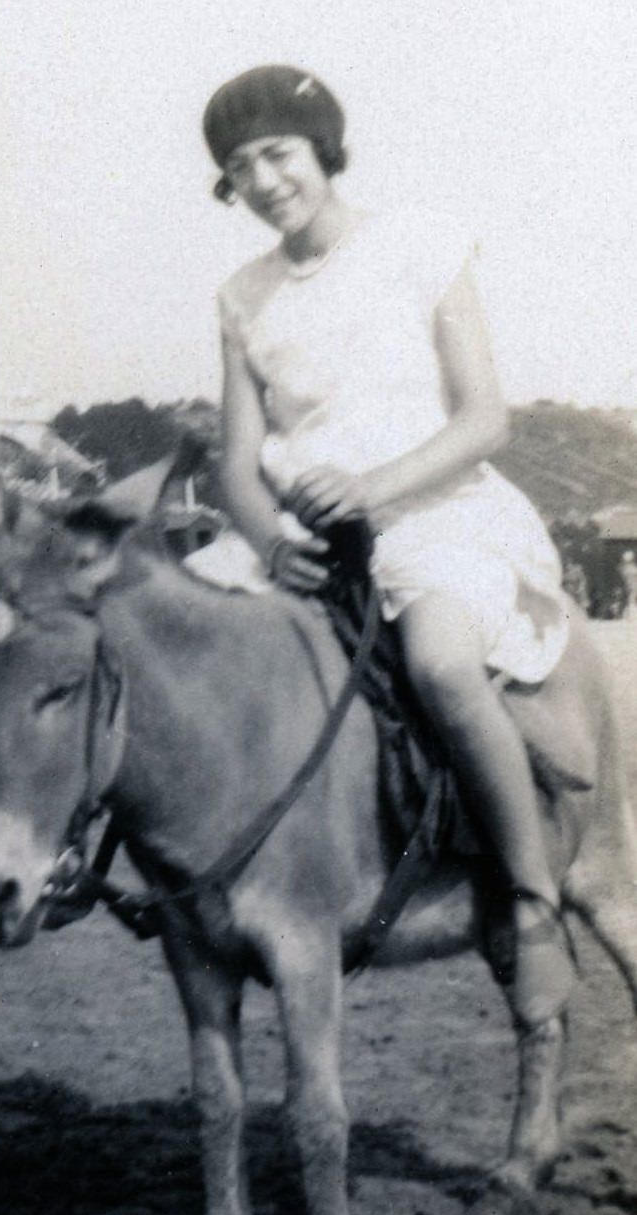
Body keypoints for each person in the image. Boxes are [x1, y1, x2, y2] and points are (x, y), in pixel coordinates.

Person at [195, 64, 573, 1016]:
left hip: (431, 512)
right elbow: (238, 461)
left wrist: (369, 487)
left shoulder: (420, 246)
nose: (265, 180)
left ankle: (531, 899)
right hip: (300, 539)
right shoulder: (242, 296)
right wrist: (271, 541)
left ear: (322, 150)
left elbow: (485, 419)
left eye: (278, 154)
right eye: (240, 167)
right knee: (171, 655)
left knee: (444, 664)